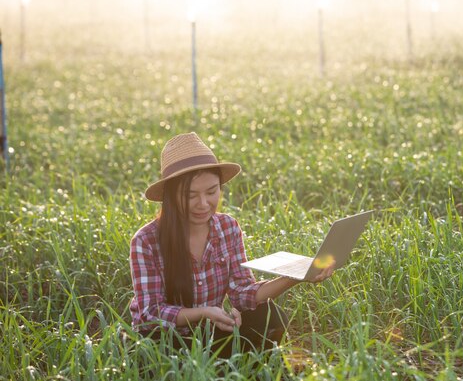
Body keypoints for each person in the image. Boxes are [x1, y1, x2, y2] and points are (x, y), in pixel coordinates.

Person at [129, 132, 334, 357]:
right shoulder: (145, 241)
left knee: (269, 315)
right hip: (163, 341)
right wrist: (204, 312)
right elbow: (151, 313)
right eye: (190, 196)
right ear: (170, 196)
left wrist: (296, 276)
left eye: (212, 191)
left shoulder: (227, 227)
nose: (204, 204)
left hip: (209, 330)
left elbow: (242, 293)